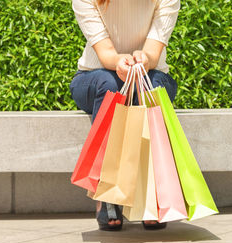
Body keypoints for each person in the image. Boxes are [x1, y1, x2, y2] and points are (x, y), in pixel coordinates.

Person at [70, 0, 180, 231]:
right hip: (93, 78)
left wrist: (145, 60)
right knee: (110, 83)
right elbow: (105, 53)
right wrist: (120, 61)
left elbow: (153, 50)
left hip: (150, 74)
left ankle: (152, 196)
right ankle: (107, 192)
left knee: (149, 87)